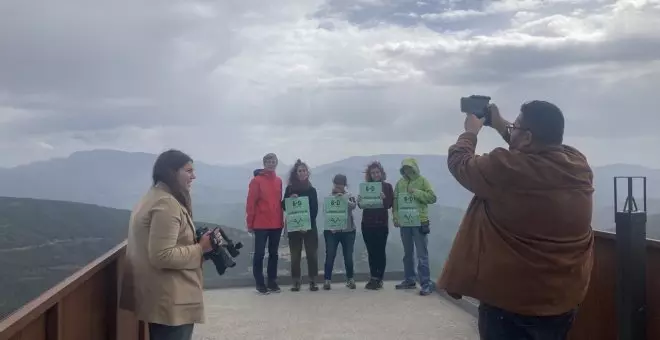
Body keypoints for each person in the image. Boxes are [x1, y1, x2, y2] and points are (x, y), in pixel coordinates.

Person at [437, 101, 594, 340]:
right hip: (561, 299)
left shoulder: (507, 169)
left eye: (516, 126)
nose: (512, 128)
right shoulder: (577, 164)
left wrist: (471, 131)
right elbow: (540, 149)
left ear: (528, 137)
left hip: (511, 302)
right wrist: (502, 126)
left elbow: (460, 163)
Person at [119, 149, 213, 340]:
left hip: (158, 297)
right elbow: (162, 255)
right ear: (172, 172)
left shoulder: (152, 197)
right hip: (171, 301)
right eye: (188, 171)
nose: (193, 176)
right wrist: (201, 248)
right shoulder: (166, 205)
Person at [392, 158, 437, 296]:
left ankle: (426, 284)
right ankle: (410, 279)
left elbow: (432, 198)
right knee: (407, 254)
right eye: (405, 168)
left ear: (414, 168)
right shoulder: (400, 183)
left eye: (409, 168)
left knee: (422, 255)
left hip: (419, 222)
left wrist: (416, 192)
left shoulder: (423, 181)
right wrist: (395, 217)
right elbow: (395, 201)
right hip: (405, 223)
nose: (407, 170)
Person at [246, 153, 284, 294]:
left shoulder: (279, 181)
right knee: (260, 254)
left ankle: (272, 282)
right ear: (264, 163)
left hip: (276, 223)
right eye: (268, 161)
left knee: (274, 254)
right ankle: (260, 283)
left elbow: (279, 202)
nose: (271, 163)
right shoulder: (256, 181)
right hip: (260, 224)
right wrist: (250, 223)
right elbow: (251, 203)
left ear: (276, 163)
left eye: (273, 161)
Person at [282, 159, 320, 292]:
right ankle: (296, 282)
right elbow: (283, 207)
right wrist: (289, 200)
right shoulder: (289, 189)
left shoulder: (312, 190)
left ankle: (313, 281)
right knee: (295, 255)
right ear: (296, 173)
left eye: (304, 170)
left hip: (309, 228)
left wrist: (306, 225)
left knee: (312, 255)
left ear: (307, 173)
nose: (302, 173)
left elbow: (314, 210)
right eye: (300, 171)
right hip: (294, 228)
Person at [358, 161, 394, 290]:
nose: (375, 175)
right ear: (369, 175)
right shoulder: (366, 187)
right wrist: (359, 201)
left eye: (377, 172)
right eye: (373, 173)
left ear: (381, 173)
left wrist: (384, 198)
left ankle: (379, 278)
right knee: (371, 252)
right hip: (367, 224)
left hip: (381, 224)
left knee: (380, 251)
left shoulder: (387, 187)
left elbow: (389, 204)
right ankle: (373, 277)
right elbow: (362, 205)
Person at [322, 174, 358, 290]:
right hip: (332, 231)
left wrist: (342, 198)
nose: (338, 186)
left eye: (341, 184)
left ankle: (350, 279)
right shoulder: (329, 197)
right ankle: (327, 280)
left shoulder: (349, 196)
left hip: (348, 231)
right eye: (336, 184)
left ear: (344, 185)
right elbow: (326, 211)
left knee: (348, 256)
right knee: (330, 255)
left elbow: (353, 206)